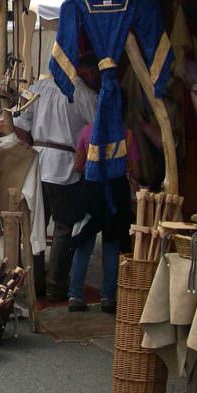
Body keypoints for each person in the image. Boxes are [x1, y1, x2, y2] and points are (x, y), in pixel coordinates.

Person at [14, 53, 99, 302]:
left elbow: (19, 123)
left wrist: (29, 147)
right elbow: (97, 129)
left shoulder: (36, 88)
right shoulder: (83, 93)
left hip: (37, 162)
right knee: (63, 226)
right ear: (83, 68)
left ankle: (35, 281)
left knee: (36, 226)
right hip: (64, 166)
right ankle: (54, 285)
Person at [67, 122, 133, 313]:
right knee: (111, 245)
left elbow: (78, 165)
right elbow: (134, 168)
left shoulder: (87, 131)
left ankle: (75, 295)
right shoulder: (126, 133)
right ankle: (108, 297)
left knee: (83, 243)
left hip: (90, 190)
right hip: (117, 192)